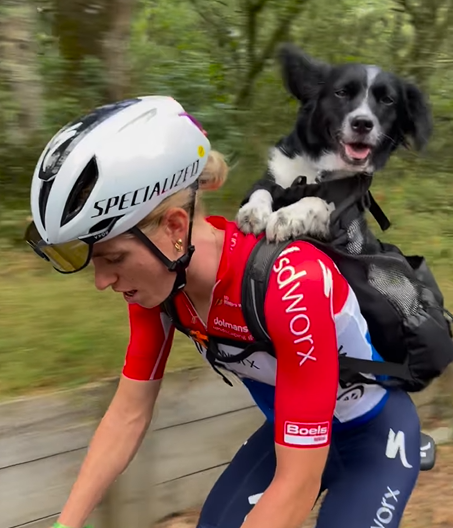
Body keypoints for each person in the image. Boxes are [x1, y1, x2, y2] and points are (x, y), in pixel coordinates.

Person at [25, 96, 421, 528]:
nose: (103, 280)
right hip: (290, 433)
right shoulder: (159, 287)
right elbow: (128, 415)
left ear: (175, 229)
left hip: (372, 433)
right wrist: (64, 524)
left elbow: (296, 484)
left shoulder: (291, 285)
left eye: (114, 258)